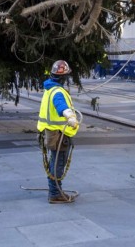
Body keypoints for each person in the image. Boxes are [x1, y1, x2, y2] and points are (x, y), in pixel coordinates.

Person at [37, 60, 80, 204]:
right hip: (59, 135)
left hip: (51, 134)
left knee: (54, 162)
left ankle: (55, 191)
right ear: (64, 77)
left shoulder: (49, 88)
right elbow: (60, 105)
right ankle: (55, 194)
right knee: (58, 164)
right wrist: (70, 117)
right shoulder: (57, 92)